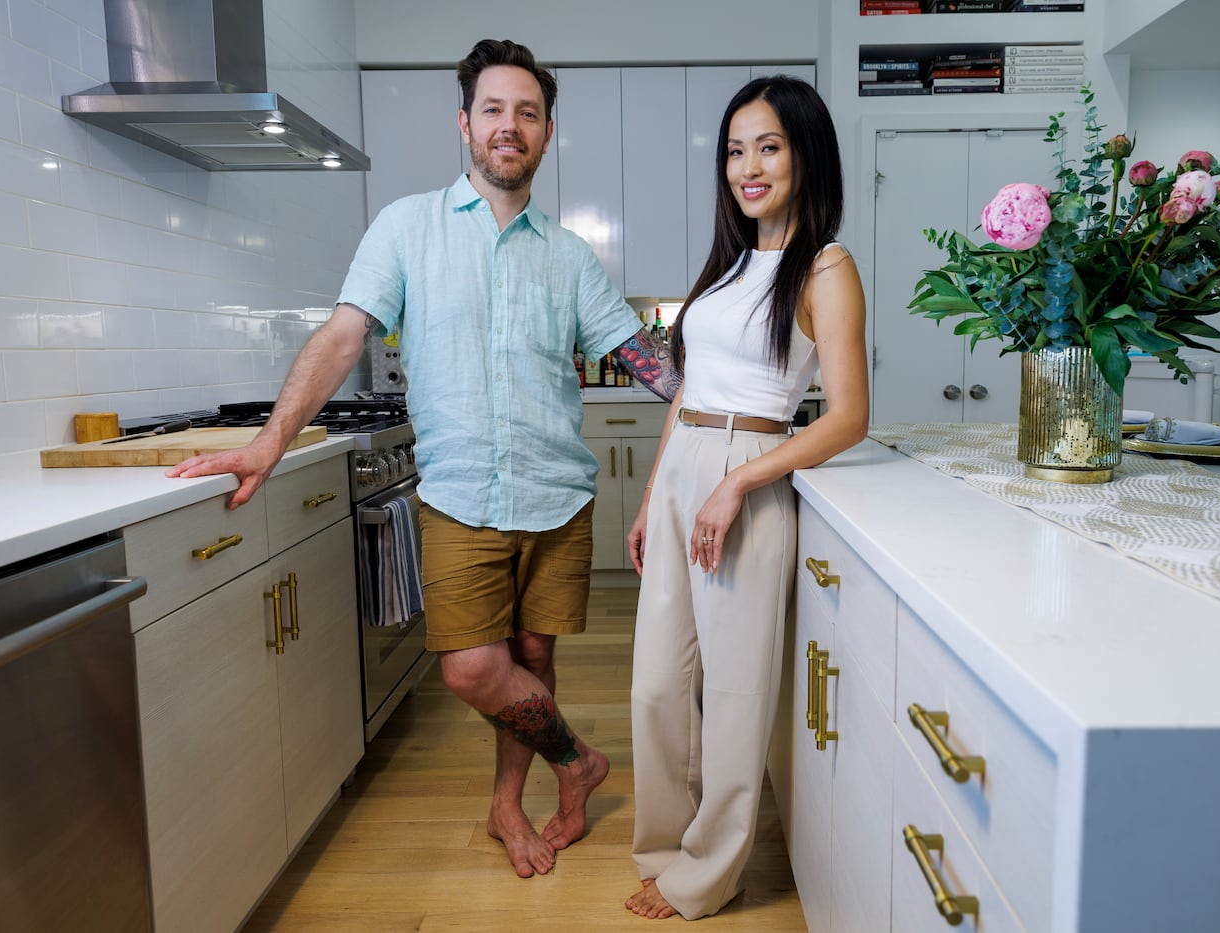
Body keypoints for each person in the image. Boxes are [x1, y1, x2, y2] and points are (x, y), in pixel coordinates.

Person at [165, 38, 680, 880]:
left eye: (527, 112)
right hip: (459, 494)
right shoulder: (406, 227)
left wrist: (716, 403)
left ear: (547, 133)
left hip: (557, 493)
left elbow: (640, 355)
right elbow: (343, 336)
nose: (509, 126)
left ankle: (507, 805)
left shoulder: (569, 256)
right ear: (465, 125)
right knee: (475, 665)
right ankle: (579, 762)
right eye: (493, 110)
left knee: (533, 660)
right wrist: (271, 439)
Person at [622, 76, 869, 921]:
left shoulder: (827, 266)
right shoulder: (728, 264)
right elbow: (689, 389)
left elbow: (849, 416)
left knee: (731, 693)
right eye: (735, 150)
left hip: (750, 472)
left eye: (768, 146)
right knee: (657, 685)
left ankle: (709, 872)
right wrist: (657, 492)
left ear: (806, 154)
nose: (748, 166)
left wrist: (737, 480)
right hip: (688, 460)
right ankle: (664, 846)